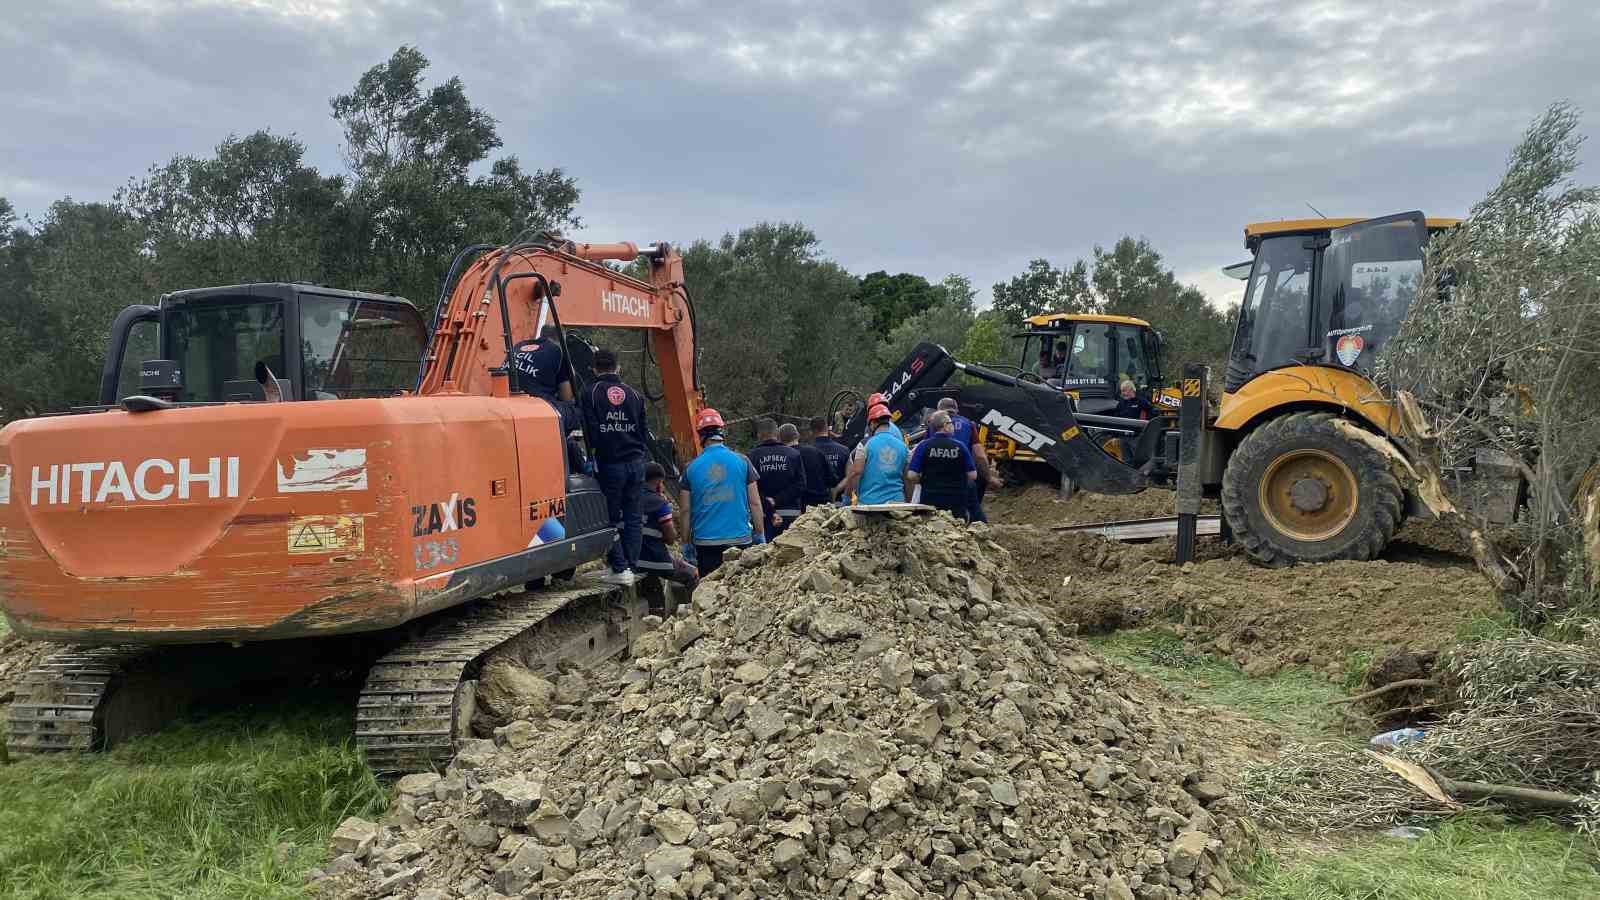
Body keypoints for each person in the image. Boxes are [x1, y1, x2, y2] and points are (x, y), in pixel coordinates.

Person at [579, 348, 648, 585]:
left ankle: (619, 568)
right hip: (636, 462)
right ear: (618, 367)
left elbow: (591, 432)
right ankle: (630, 565)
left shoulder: (590, 392)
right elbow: (642, 432)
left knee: (607, 517)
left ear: (594, 368)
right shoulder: (636, 395)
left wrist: (592, 457)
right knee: (633, 517)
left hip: (610, 464)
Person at [680, 408, 766, 577]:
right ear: (722, 432)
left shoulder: (690, 468)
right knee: (738, 592)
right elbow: (755, 502)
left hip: (706, 543)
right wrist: (759, 533)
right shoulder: (743, 461)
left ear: (701, 436)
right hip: (740, 540)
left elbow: (685, 510)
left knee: (710, 594)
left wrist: (686, 543)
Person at [936, 397, 1002, 522]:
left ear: (939, 410)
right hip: (962, 478)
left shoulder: (933, 425)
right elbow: (980, 455)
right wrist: (989, 478)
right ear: (956, 410)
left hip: (937, 481)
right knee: (975, 514)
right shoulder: (969, 424)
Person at [636, 462, 698, 588]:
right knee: (693, 573)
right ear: (659, 482)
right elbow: (670, 539)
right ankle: (691, 606)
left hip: (633, 559)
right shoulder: (659, 503)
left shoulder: (630, 499)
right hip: (654, 559)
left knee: (650, 579)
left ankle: (656, 605)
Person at [907, 411, 977, 520]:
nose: (953, 426)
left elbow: (911, 475)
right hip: (956, 501)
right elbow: (973, 475)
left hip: (930, 499)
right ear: (945, 426)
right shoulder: (960, 446)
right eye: (950, 423)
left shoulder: (924, 446)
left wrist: (923, 480)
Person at [511, 325, 578, 435]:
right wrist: (571, 372)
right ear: (560, 339)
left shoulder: (519, 345)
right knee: (574, 411)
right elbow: (566, 396)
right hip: (535, 407)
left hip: (510, 401)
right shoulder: (558, 352)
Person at [748, 418, 807, 539]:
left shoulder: (751, 457)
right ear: (777, 434)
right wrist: (777, 499)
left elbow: (750, 489)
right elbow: (801, 484)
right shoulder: (793, 454)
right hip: (790, 514)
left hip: (763, 516)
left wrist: (767, 502)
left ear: (759, 435)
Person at [845, 404, 909, 505]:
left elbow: (856, 472)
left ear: (873, 423)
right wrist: (909, 501)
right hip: (897, 503)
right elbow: (907, 477)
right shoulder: (903, 446)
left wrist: (847, 497)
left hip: (870, 503)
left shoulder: (864, 444)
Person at [808, 416, 851, 506]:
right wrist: (836, 489)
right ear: (827, 429)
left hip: (813, 506)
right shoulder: (844, 450)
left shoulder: (807, 452)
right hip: (838, 505)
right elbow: (850, 476)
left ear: (811, 431)